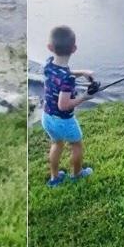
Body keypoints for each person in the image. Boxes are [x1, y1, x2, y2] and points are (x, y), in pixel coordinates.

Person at [42, 25, 97, 187]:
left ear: (50, 48)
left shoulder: (48, 64)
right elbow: (64, 105)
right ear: (74, 49)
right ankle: (77, 174)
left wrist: (83, 73)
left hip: (47, 117)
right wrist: (84, 97)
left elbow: (63, 71)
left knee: (56, 144)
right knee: (77, 145)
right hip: (64, 120)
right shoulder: (67, 80)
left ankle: (54, 178)